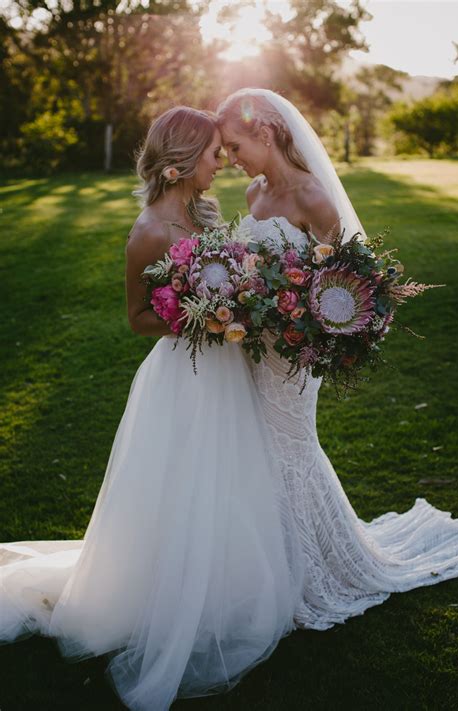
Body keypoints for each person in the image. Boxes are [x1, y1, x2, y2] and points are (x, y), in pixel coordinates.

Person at [0, 106, 305, 710]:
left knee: (232, 477)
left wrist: (238, 308)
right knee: (183, 483)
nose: (223, 163)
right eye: (215, 154)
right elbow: (137, 317)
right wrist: (204, 320)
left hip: (227, 368)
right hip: (186, 372)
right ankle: (167, 595)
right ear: (182, 163)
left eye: (225, 151)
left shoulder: (202, 212)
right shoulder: (148, 232)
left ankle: (227, 586)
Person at [217, 88, 458, 631]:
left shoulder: (313, 198)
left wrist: (300, 324)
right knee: (256, 449)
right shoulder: (253, 193)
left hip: (292, 353)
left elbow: (343, 285)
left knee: (290, 448)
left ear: (265, 134)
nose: (232, 160)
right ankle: (264, 566)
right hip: (253, 348)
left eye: (236, 146)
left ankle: (311, 568)